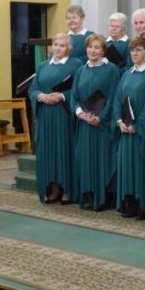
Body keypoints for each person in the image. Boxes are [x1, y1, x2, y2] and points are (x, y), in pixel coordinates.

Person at [28, 33, 82, 205]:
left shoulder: (76, 64)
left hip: (63, 114)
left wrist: (63, 96)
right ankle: (54, 188)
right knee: (48, 151)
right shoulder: (43, 66)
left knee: (64, 150)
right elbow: (33, 89)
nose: (58, 48)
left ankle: (67, 190)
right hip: (45, 115)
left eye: (62, 45)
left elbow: (79, 90)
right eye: (56, 45)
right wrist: (40, 96)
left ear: (68, 48)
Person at [70, 34, 121, 211]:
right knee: (85, 160)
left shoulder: (111, 70)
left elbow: (114, 97)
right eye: (90, 47)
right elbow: (74, 96)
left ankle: (102, 197)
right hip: (84, 124)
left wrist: (100, 117)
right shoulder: (81, 70)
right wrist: (80, 114)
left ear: (103, 50)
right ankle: (88, 194)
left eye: (97, 47)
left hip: (101, 126)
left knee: (101, 160)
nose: (93, 50)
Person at [114, 37, 145, 219]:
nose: (135, 53)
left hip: (142, 132)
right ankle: (130, 203)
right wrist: (119, 121)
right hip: (125, 131)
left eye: (139, 50)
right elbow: (118, 99)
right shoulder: (127, 74)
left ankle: (143, 206)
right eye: (132, 50)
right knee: (127, 168)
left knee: (141, 168)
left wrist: (138, 125)